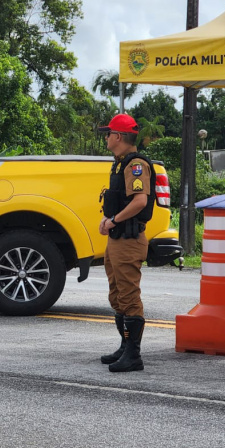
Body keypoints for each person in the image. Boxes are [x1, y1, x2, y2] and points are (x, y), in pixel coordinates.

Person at [97, 113, 156, 373]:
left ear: (118, 136)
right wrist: (108, 220)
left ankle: (134, 356)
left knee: (129, 296)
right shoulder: (120, 164)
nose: (107, 137)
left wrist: (114, 220)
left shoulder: (136, 165)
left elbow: (140, 201)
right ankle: (124, 346)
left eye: (108, 133)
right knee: (117, 294)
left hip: (129, 239)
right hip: (118, 238)